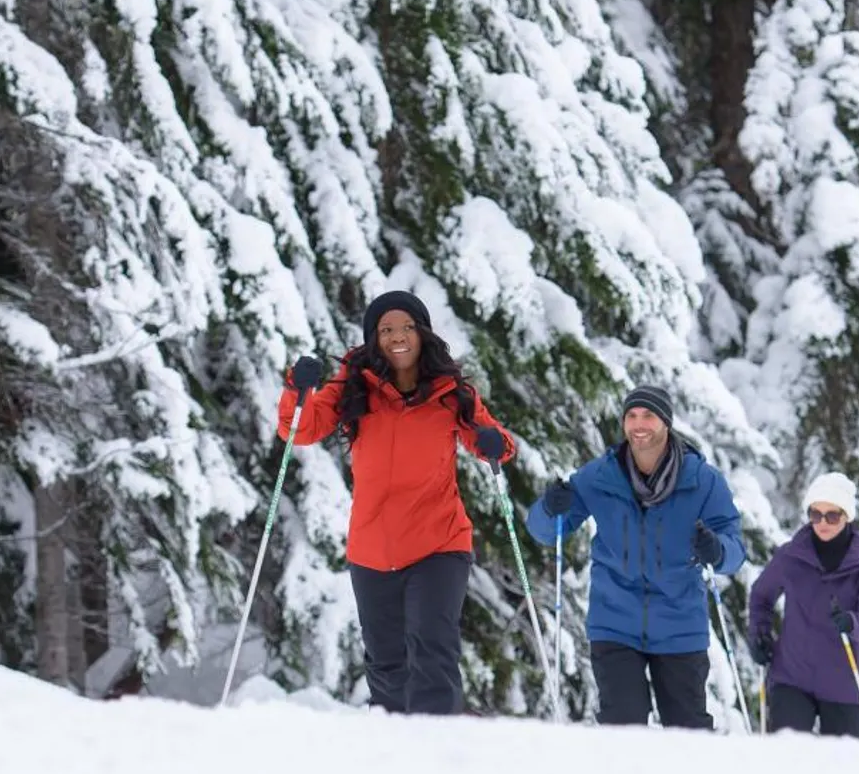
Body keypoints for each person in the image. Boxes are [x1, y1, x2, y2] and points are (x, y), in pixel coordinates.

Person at [280, 290, 512, 716]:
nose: (397, 337)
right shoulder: (352, 387)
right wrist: (298, 389)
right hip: (374, 549)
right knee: (386, 666)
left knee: (432, 648)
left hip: (439, 542)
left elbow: (492, 442)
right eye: (386, 330)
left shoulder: (450, 393)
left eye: (406, 327)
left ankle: (442, 755)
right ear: (374, 339)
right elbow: (302, 430)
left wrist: (492, 443)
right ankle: (396, 758)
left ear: (422, 334)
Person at [525, 384, 744, 728]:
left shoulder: (703, 480)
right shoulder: (600, 476)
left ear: (666, 423)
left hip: (679, 624)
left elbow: (735, 549)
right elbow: (545, 531)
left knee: (687, 732)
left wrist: (717, 550)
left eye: (649, 415)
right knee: (621, 726)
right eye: (632, 416)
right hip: (615, 621)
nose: (639, 424)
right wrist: (549, 508)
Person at [747, 471, 859, 738]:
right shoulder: (792, 556)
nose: (822, 523)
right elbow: (761, 596)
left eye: (832, 516)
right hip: (792, 676)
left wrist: (853, 623)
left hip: (844, 682)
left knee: (841, 770)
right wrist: (759, 634)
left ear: (847, 516)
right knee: (787, 760)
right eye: (815, 514)